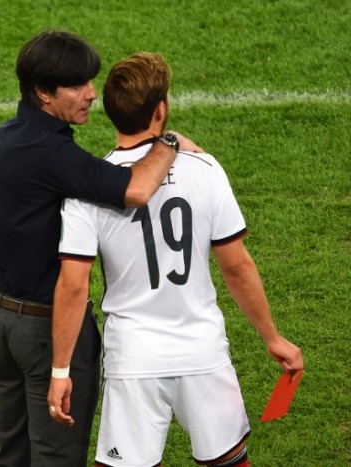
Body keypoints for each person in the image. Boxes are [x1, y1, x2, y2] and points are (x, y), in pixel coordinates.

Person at [48, 52, 304, 467]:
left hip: (134, 358)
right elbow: (236, 266)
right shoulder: (205, 169)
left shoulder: (88, 186)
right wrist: (273, 338)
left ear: (111, 111)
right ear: (162, 109)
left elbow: (74, 286)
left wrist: (61, 370)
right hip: (202, 352)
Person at [0, 31, 200, 467]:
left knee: (5, 457)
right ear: (44, 93)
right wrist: (169, 142)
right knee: (56, 459)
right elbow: (136, 188)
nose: (91, 94)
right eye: (77, 85)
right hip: (47, 330)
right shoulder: (55, 157)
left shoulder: (1, 139)